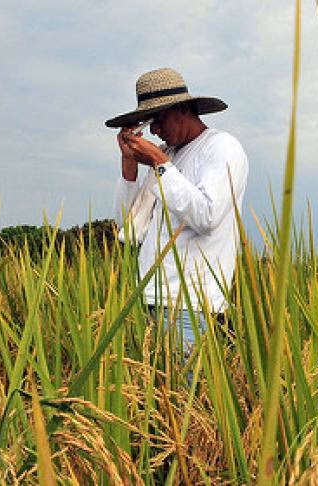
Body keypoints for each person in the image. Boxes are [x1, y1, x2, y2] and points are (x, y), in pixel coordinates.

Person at [106, 67, 248, 352]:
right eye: (150, 123)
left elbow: (206, 216)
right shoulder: (169, 157)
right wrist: (130, 163)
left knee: (188, 396)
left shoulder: (221, 148)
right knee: (157, 394)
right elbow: (128, 230)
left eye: (159, 119)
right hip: (151, 299)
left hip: (189, 307)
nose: (155, 130)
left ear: (183, 108)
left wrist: (159, 163)